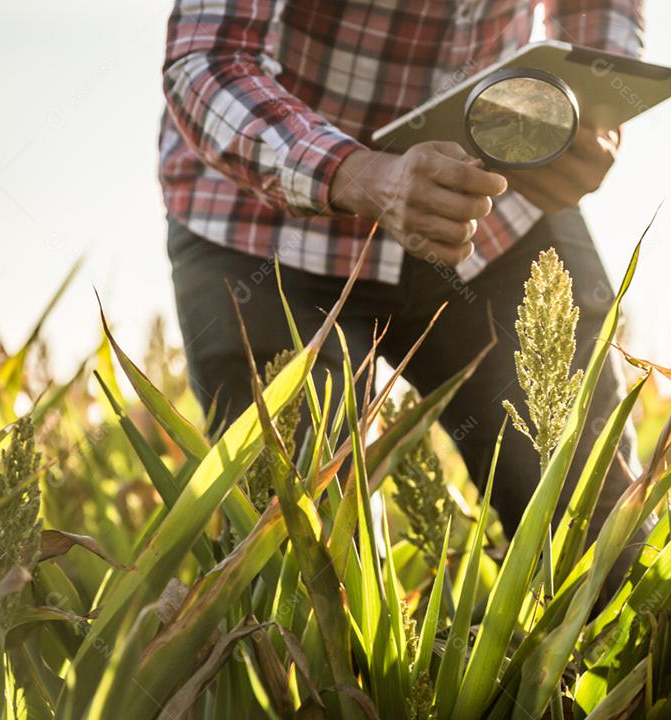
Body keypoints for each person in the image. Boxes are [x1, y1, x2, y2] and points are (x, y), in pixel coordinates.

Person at [160, 0, 645, 545]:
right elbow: (210, 59)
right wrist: (363, 175)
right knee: (301, 555)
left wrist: (594, 110)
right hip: (264, 230)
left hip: (496, 207)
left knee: (600, 533)